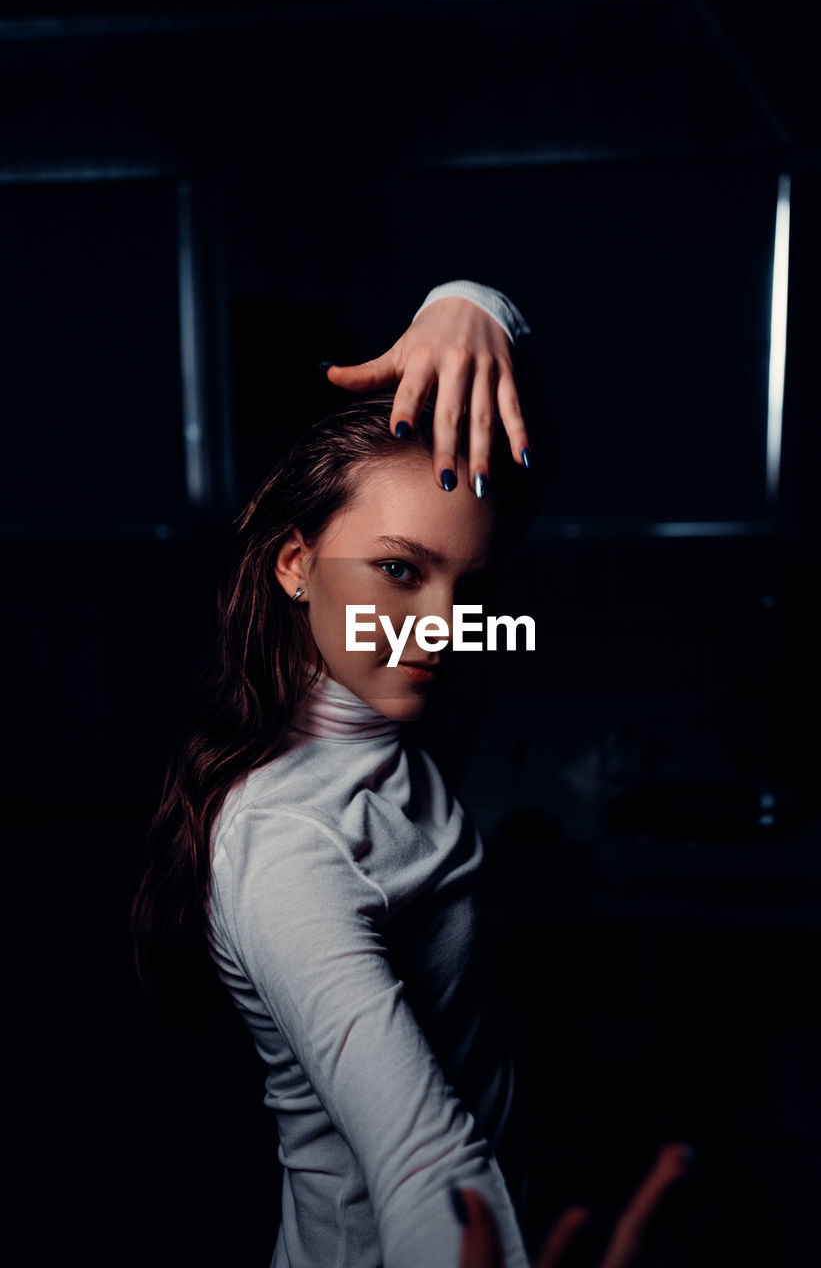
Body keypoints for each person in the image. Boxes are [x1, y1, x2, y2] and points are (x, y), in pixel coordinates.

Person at [131, 282, 540, 1268]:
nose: (444, 625)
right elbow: (421, 1164)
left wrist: (472, 309)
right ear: (295, 565)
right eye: (398, 570)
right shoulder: (292, 848)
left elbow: (527, 449)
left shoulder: (390, 704)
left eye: (468, 586)